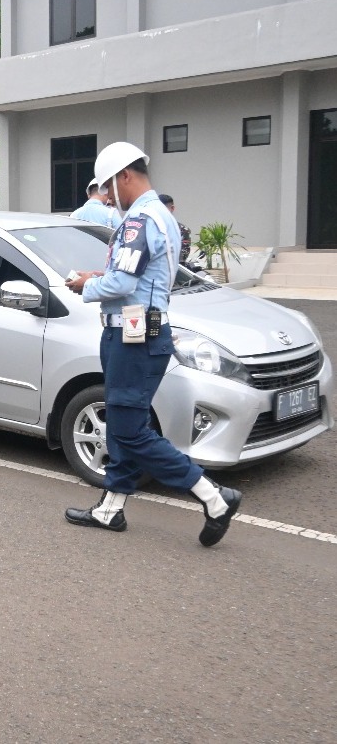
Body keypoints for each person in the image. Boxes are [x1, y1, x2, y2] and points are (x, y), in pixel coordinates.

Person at [64, 141, 241, 546]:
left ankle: (214, 498)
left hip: (132, 336)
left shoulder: (138, 221)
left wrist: (85, 283)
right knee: (128, 423)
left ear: (125, 175)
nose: (108, 196)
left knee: (128, 431)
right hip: (143, 331)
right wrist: (101, 274)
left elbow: (122, 283)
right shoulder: (162, 215)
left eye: (110, 186)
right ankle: (110, 509)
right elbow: (140, 277)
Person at [158, 193, 192, 264]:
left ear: (172, 208)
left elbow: (182, 255)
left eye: (163, 209)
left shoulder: (182, 230)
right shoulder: (149, 227)